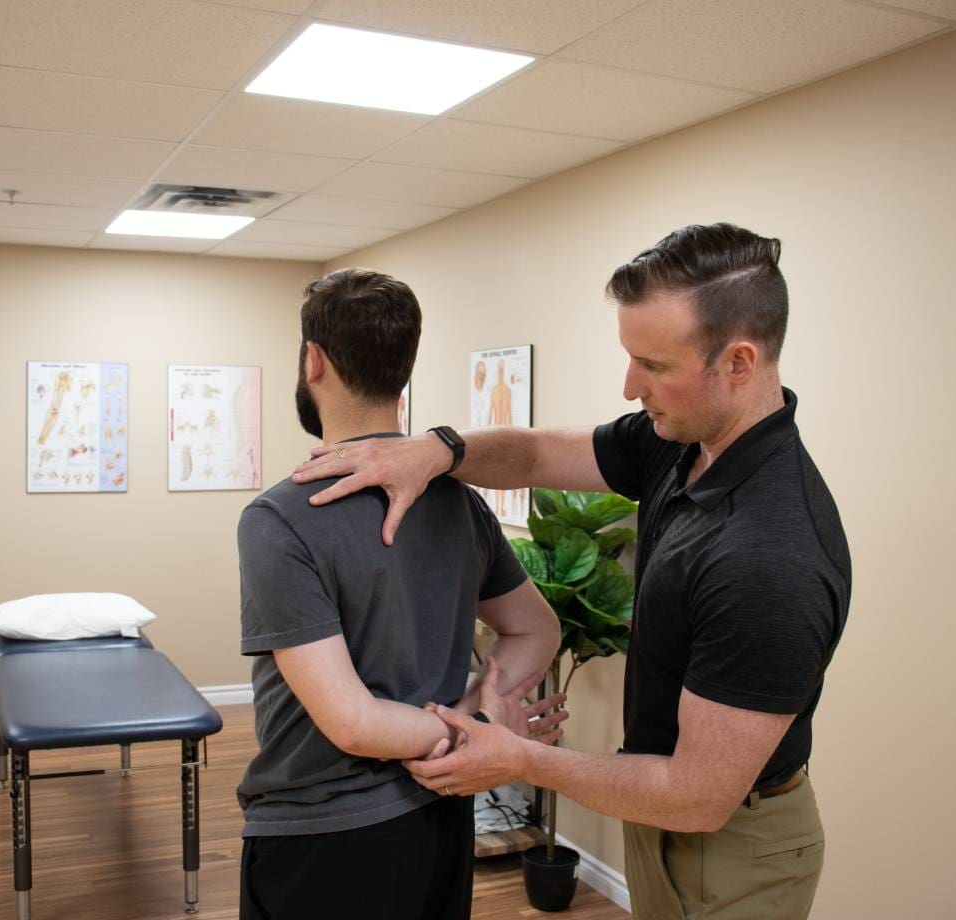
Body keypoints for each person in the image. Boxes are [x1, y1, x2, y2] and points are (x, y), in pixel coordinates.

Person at [292, 225, 852, 920]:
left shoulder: (770, 555)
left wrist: (519, 761)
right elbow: (531, 455)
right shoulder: (686, 445)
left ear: (738, 362)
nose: (629, 386)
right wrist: (434, 452)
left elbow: (699, 795)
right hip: (673, 816)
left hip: (731, 840)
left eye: (652, 364)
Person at [236, 268, 567, 920]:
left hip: (322, 838)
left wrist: (473, 725)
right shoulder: (459, 503)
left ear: (313, 361)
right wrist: (479, 718)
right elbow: (539, 630)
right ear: (403, 371)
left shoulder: (281, 516)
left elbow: (354, 724)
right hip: (439, 819)